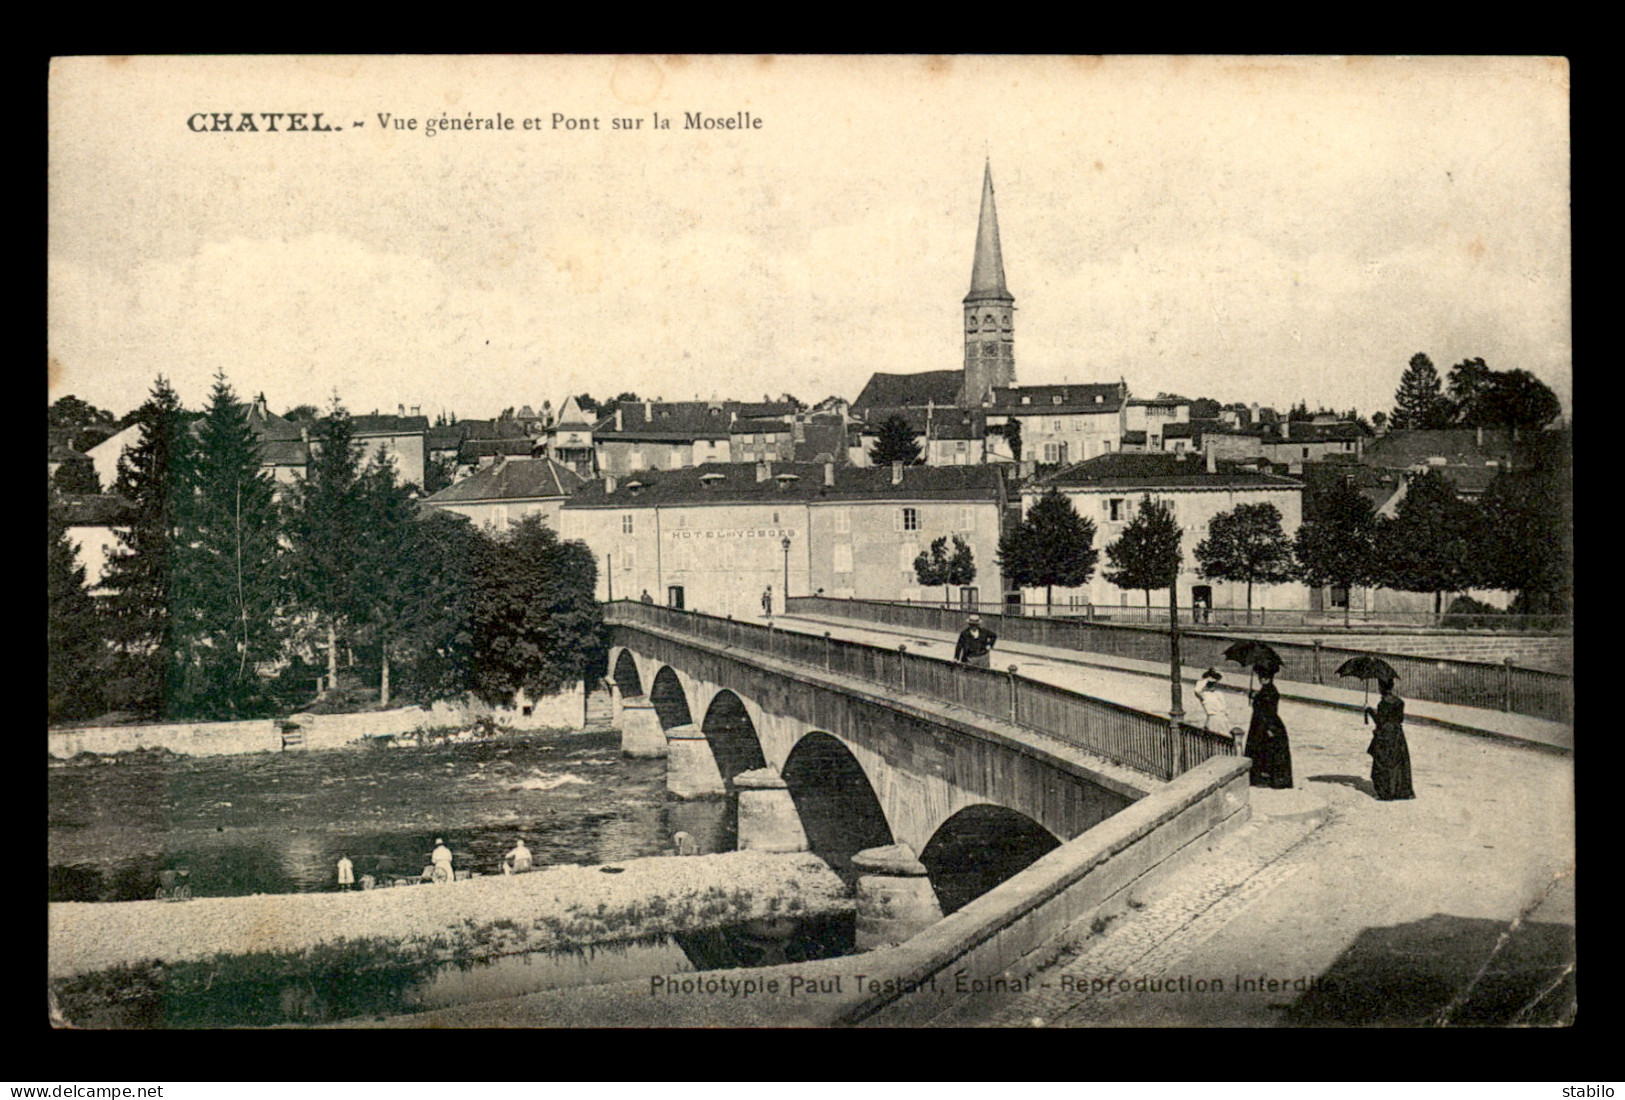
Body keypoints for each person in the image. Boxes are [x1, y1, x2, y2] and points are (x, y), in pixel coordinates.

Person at [1366, 677, 1416, 801]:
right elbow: (1400, 719)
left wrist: (1369, 711)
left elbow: (1380, 721)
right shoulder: (1400, 702)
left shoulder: (1383, 703)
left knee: (1384, 762)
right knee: (1398, 762)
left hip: (1385, 734)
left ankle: (1386, 791)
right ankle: (1400, 790)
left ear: (1381, 687)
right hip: (1397, 734)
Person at [1244, 666, 1293, 789]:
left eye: (1263, 677)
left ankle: (1268, 779)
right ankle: (1261, 777)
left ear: (1269, 678)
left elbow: (1269, 711)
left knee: (1267, 751)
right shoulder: (1266, 690)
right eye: (1260, 677)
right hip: (1260, 724)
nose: (1260, 679)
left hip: (1266, 725)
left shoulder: (1271, 692)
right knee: (1260, 751)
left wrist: (1269, 729)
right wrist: (1254, 696)